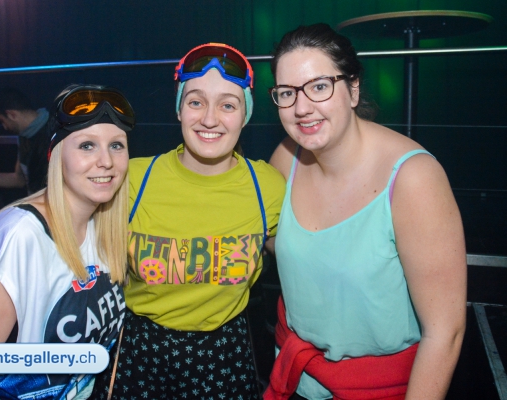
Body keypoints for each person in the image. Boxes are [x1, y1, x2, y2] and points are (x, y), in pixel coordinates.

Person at [265, 24, 467, 400]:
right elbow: (283, 248)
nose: (302, 108)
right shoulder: (285, 159)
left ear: (353, 89)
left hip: (381, 390)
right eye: (287, 93)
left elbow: (445, 333)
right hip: (296, 380)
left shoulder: (413, 179)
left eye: (319, 86)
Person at [95, 43, 286, 400]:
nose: (210, 119)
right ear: (179, 109)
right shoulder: (134, 179)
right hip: (141, 351)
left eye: (228, 105)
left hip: (224, 355)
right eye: (196, 102)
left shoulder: (268, 188)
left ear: (245, 115)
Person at [0, 84, 134, 400]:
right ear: (56, 155)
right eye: (87, 145)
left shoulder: (104, 227)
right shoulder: (18, 235)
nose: (106, 161)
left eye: (116, 145)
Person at [0, 87, 50, 194]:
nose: (4, 127)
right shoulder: (24, 137)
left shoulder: (56, 130)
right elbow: (19, 180)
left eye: (2, 121)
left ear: (12, 115)